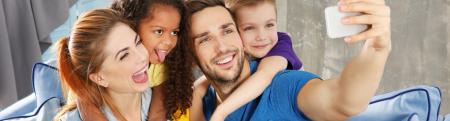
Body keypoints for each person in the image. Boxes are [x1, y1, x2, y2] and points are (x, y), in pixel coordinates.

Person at [185, 0, 391, 120]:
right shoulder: (203, 102)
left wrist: (376, 50)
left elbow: (343, 100)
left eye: (227, 31)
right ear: (191, 57)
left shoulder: (282, 85)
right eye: (205, 40)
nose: (222, 47)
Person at [190, 0, 304, 120]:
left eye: (269, 25)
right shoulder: (246, 50)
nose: (261, 36)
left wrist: (221, 112)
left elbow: (264, 75)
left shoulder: (280, 45)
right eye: (249, 28)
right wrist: (197, 91)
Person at [54, 9, 152, 121]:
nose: (142, 57)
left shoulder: (169, 99)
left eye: (138, 42)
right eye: (124, 55)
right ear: (99, 78)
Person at [111, 0, 194, 120]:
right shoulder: (106, 63)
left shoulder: (164, 68)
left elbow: (157, 115)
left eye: (174, 32)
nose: (169, 41)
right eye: (159, 31)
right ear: (132, 25)